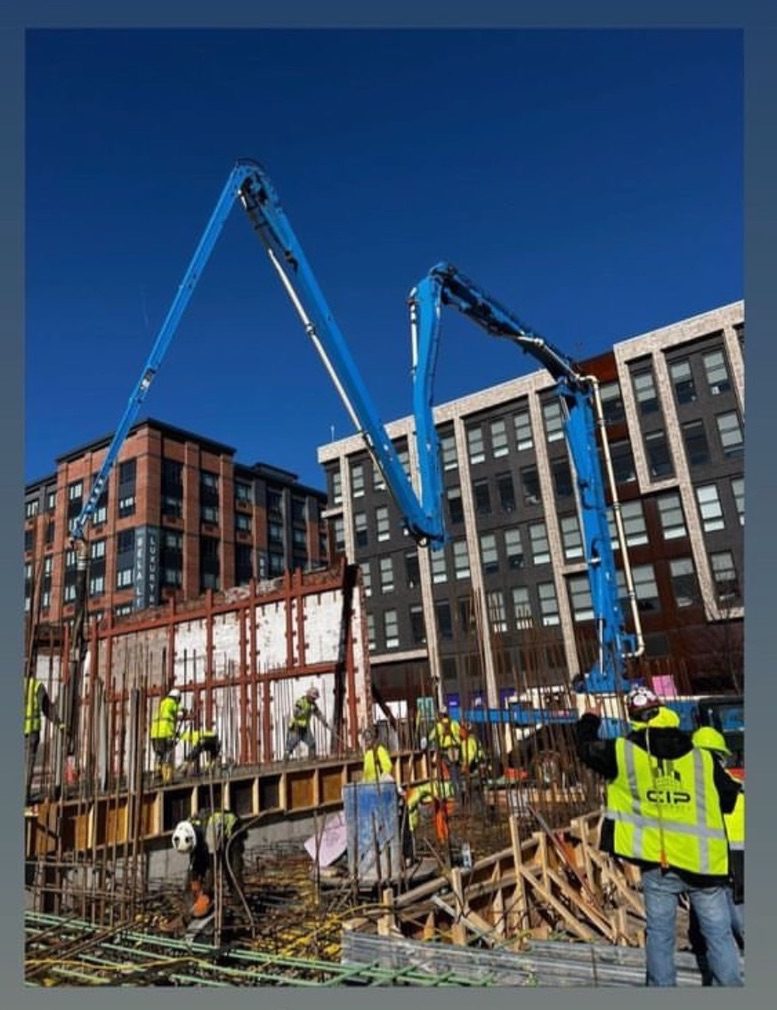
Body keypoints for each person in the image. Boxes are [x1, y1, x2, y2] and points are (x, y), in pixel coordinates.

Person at [577, 685, 743, 987]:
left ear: (634, 718)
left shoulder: (624, 751)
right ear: (663, 710)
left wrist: (590, 718)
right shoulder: (700, 755)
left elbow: (586, 748)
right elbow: (729, 799)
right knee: (719, 936)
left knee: (660, 936)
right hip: (704, 863)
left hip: (659, 863)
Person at [692, 726, 745, 949]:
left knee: (721, 912)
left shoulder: (696, 785)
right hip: (736, 852)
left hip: (716, 852)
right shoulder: (735, 781)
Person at [171, 808, 244, 923]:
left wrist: (206, 892)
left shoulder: (210, 834)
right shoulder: (187, 828)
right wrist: (194, 880)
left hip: (232, 832)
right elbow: (193, 858)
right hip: (206, 839)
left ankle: (239, 908)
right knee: (192, 877)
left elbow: (213, 865)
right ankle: (190, 911)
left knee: (232, 870)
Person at [24, 676, 64, 804]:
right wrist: (59, 722)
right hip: (31, 733)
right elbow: (47, 708)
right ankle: (24, 796)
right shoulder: (35, 686)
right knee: (27, 764)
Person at [283, 686, 330, 761]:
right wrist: (305, 711)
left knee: (312, 744)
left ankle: (312, 760)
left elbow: (319, 714)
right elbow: (296, 713)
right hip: (296, 727)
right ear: (309, 695)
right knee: (291, 745)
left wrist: (325, 723)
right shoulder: (301, 702)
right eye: (313, 698)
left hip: (304, 728)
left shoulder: (313, 705)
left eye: (315, 698)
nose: (314, 700)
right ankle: (285, 762)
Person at [150, 687, 185, 784]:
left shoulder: (162, 704)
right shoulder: (171, 702)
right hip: (165, 734)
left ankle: (157, 772)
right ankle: (167, 778)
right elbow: (175, 708)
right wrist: (183, 709)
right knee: (167, 754)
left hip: (155, 734)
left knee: (159, 753)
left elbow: (170, 715)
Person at [427, 708, 462, 796]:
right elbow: (461, 734)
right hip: (456, 749)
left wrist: (426, 742)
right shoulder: (454, 723)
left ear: (441, 715)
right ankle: (460, 790)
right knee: (457, 771)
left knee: (452, 773)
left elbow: (431, 737)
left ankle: (457, 794)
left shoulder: (439, 726)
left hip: (446, 750)